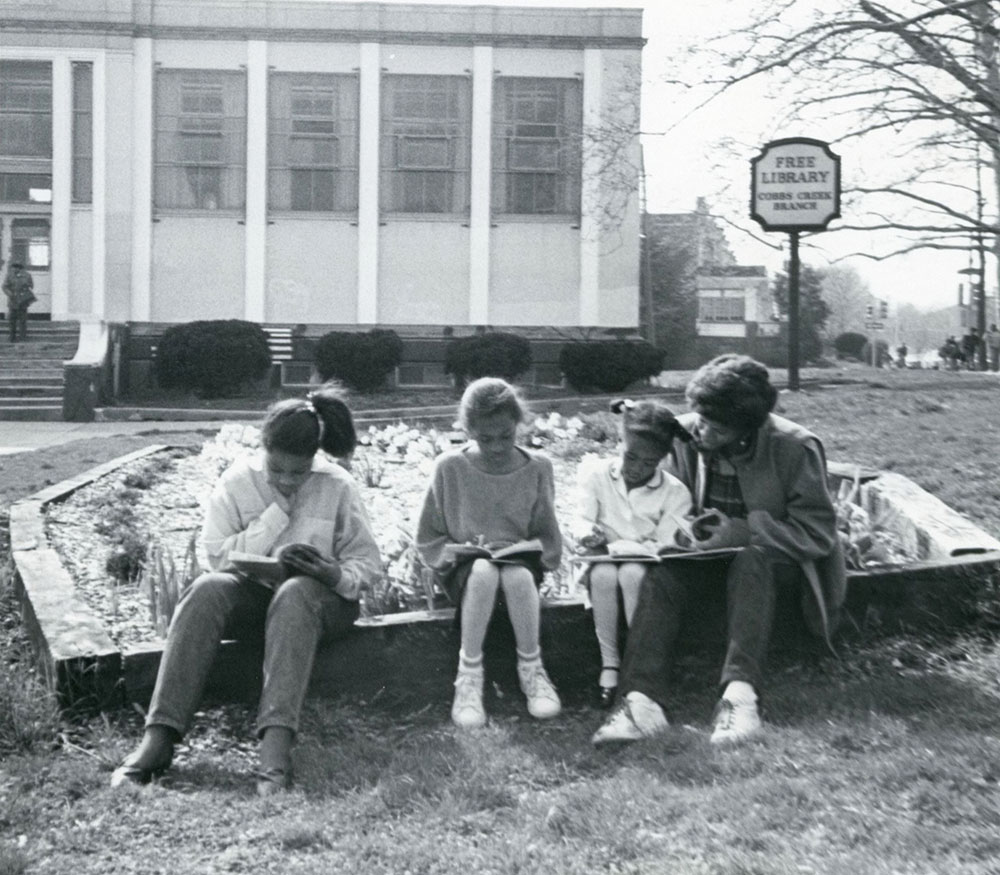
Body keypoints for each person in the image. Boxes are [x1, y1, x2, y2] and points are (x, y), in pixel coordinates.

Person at [111, 385, 382, 794]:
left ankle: (275, 749)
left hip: (321, 604)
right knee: (206, 590)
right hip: (258, 598)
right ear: (263, 448)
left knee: (295, 593)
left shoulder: (337, 485)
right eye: (278, 471)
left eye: (299, 472)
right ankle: (159, 738)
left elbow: (368, 563)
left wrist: (332, 574)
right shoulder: (238, 482)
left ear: (315, 458)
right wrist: (274, 519)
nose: (289, 481)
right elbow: (216, 556)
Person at [592, 354, 846, 747]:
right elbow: (668, 501)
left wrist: (744, 532)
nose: (703, 434)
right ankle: (640, 702)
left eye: (717, 429)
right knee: (662, 573)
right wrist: (680, 535)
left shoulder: (795, 447)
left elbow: (818, 533)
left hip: (773, 569)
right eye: (702, 419)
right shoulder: (689, 433)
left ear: (749, 428)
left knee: (751, 559)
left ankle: (739, 698)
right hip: (706, 560)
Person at [416, 377, 563, 729]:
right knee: (483, 571)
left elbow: (546, 533)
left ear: (519, 426)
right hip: (465, 563)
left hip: (519, 559)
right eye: (485, 438)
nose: (497, 447)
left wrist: (528, 548)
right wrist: (457, 550)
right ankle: (468, 677)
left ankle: (533, 669)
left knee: (516, 573)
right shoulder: (449, 467)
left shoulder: (538, 467)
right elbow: (428, 536)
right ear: (468, 430)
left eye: (506, 436)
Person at [570, 398, 693, 707]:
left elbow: (662, 545)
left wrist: (615, 547)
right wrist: (586, 533)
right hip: (598, 563)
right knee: (603, 572)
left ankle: (638, 667)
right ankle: (609, 663)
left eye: (649, 463)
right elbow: (581, 517)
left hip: (646, 571)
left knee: (631, 571)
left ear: (664, 459)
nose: (637, 469)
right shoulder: (595, 474)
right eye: (631, 457)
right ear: (620, 441)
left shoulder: (675, 493)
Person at [2, 261, 35, 343]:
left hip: (23, 301)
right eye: (14, 267)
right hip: (13, 301)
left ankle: (23, 337)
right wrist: (10, 294)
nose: (15, 269)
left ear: (21, 268)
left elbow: (31, 286)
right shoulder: (9, 276)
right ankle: (12, 337)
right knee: (12, 320)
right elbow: (4, 286)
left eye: (17, 267)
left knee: (23, 320)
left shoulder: (27, 276)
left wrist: (26, 290)